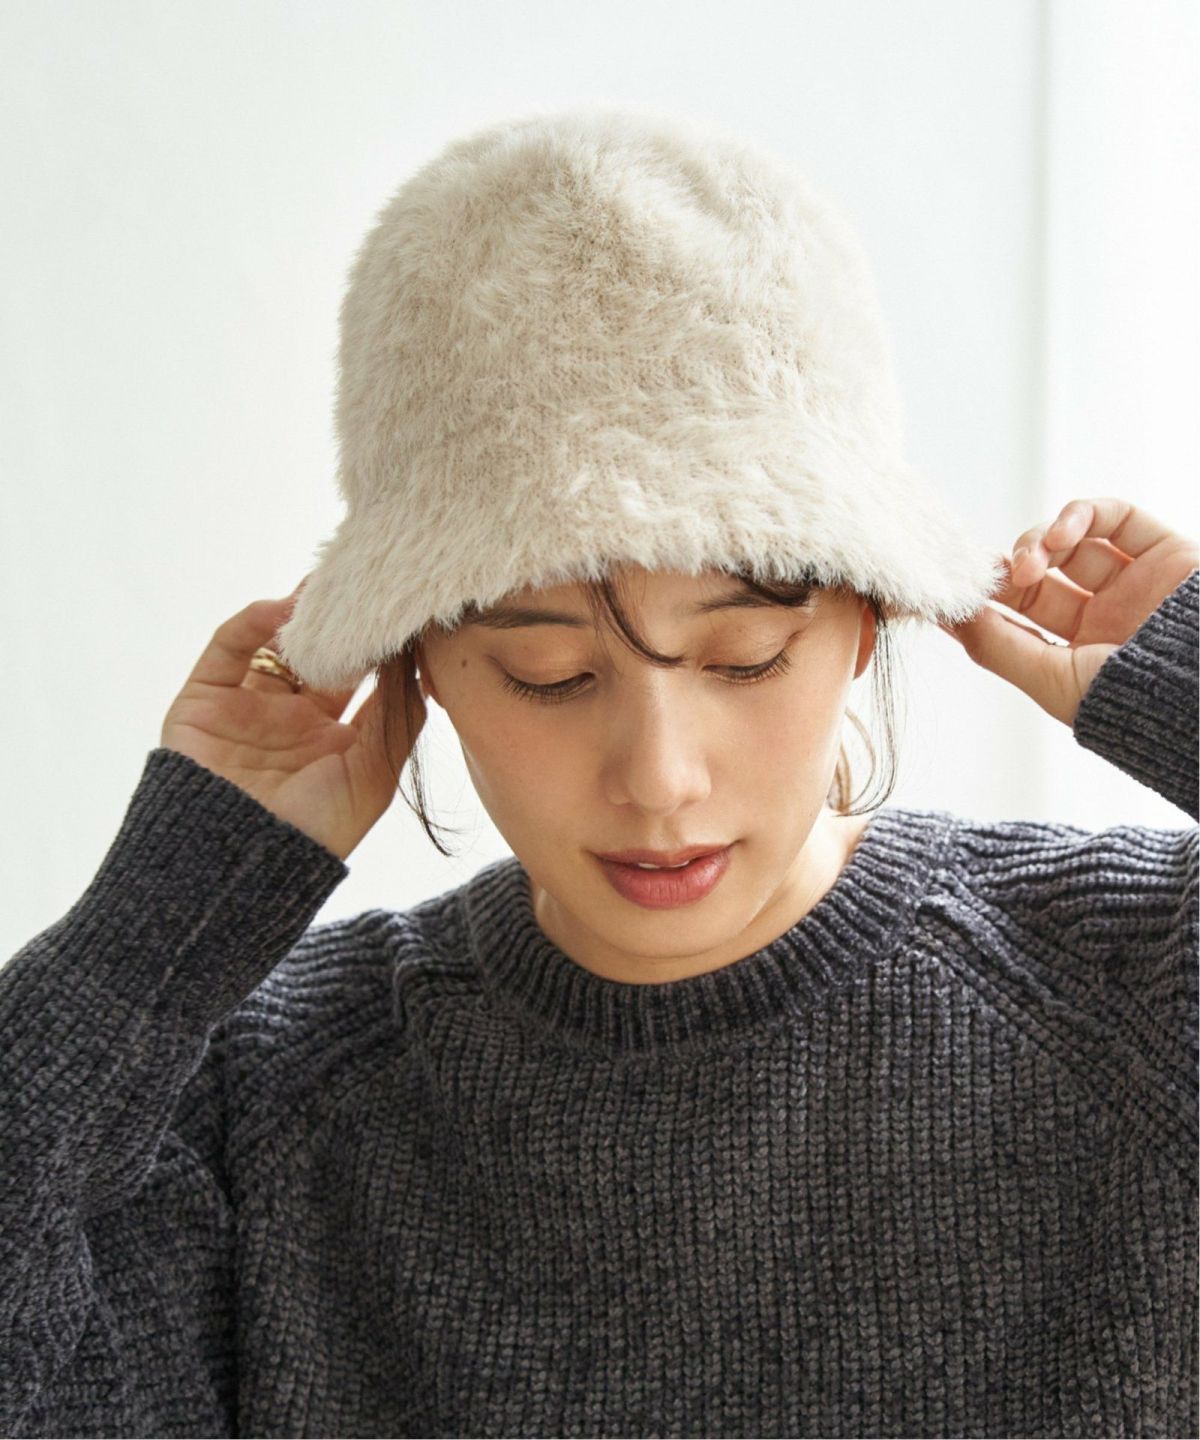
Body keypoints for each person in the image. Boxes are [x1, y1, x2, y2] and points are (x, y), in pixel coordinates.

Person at [4, 106, 1197, 1437]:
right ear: (418, 660)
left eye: (743, 657)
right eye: (549, 675)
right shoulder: (263, 1104)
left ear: (867, 622)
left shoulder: (1138, 993)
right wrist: (158, 927)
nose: (660, 779)